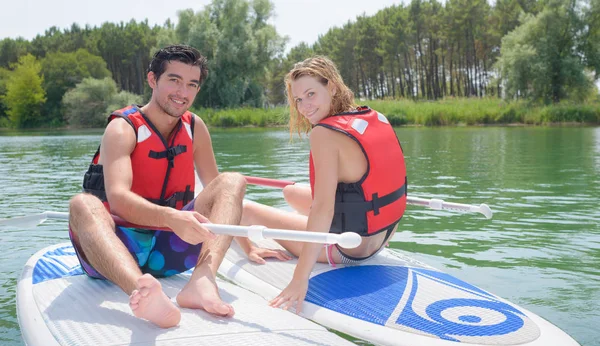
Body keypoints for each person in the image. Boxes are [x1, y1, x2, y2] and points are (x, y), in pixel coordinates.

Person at [68, 44, 247, 329]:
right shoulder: (121, 129)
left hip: (168, 251)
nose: (182, 92)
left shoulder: (195, 127)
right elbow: (118, 200)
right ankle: (142, 292)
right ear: (153, 79)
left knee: (233, 180)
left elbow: (221, 195)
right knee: (82, 204)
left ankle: (203, 280)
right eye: (174, 80)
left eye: (191, 84)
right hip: (119, 249)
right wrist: (171, 217)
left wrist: (248, 245)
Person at [238, 56, 407, 313]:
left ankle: (268, 227)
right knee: (290, 193)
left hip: (351, 249)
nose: (304, 106)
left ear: (332, 87)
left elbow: (323, 209)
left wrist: (299, 278)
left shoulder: (324, 134)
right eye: (298, 100)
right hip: (383, 235)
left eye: (311, 94)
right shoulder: (374, 117)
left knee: (247, 210)